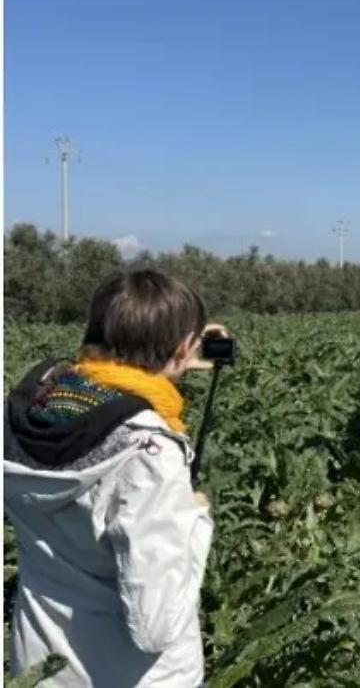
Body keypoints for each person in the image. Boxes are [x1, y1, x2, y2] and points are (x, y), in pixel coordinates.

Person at [4, 270, 228, 686]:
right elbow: (155, 627)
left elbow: (110, 394)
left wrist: (173, 364)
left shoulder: (25, 414)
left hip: (42, 666)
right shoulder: (147, 455)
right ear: (181, 349)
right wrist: (195, 521)